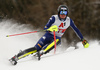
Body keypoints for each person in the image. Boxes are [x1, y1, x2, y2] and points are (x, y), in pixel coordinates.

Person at [9, 5, 89, 65]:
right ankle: (16, 57)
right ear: (58, 12)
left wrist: (83, 40)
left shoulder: (69, 21)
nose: (63, 14)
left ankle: (41, 53)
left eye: (65, 13)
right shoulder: (54, 18)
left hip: (56, 38)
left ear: (67, 13)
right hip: (48, 35)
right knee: (36, 48)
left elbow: (76, 30)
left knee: (58, 40)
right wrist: (50, 28)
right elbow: (46, 27)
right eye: (61, 12)